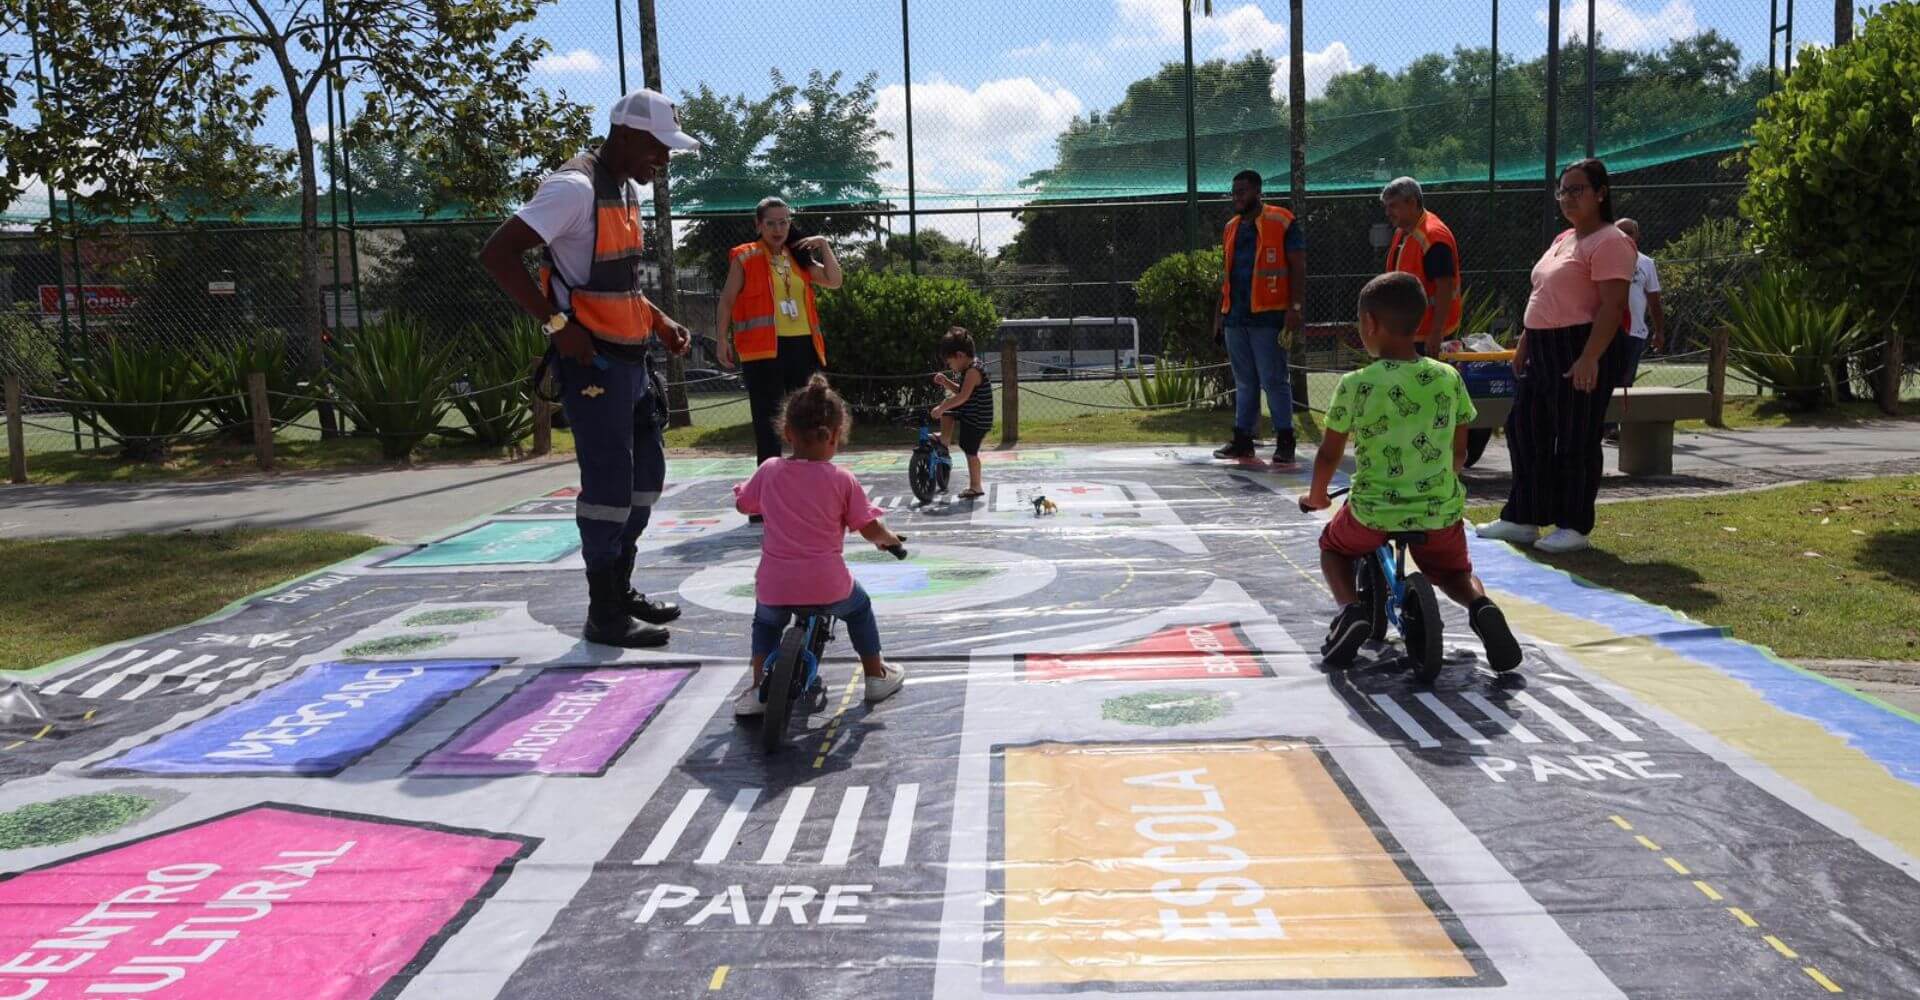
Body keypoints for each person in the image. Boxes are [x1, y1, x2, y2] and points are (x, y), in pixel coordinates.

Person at [478, 88, 696, 648]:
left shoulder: (624, 190)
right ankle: (603, 613)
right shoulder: (572, 189)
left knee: (646, 480)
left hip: (632, 359)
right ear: (625, 136)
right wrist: (555, 325)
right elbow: (497, 254)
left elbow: (614, 283)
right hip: (592, 362)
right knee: (608, 489)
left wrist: (660, 320)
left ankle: (619, 589)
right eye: (658, 147)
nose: (664, 160)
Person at [1301, 272, 1522, 671]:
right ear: (1420, 321)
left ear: (1369, 324)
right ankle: (1481, 605)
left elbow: (1329, 454)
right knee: (1453, 572)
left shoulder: (1356, 384)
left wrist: (1316, 496)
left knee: (1333, 547)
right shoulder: (1448, 378)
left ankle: (1350, 610)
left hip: (1373, 510)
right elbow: (1460, 452)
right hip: (1438, 509)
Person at [1477, 158, 1637, 554]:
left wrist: (1589, 358)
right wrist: (1526, 345)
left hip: (1580, 346)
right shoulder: (1563, 239)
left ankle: (1574, 526)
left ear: (1601, 193)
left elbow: (1612, 307)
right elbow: (1542, 295)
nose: (1568, 198)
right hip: (1542, 347)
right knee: (1524, 429)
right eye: (1563, 190)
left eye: (1577, 189)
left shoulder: (1611, 241)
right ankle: (1523, 518)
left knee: (1575, 437)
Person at [732, 375, 907, 717]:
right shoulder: (842, 480)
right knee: (859, 609)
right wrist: (889, 540)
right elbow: (869, 527)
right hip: (829, 584)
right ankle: (875, 675)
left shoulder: (769, 470)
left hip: (775, 584)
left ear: (787, 434)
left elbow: (745, 505)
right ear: (837, 436)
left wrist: (745, 497)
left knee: (766, 625)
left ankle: (757, 689)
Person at [716, 196, 844, 469]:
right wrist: (721, 340)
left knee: (808, 417)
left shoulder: (798, 255)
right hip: (762, 351)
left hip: (802, 347)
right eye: (771, 223)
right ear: (758, 225)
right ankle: (766, 491)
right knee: (768, 421)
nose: (778, 229)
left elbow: (834, 280)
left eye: (784, 222)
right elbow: (726, 300)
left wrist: (823, 245)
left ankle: (805, 480)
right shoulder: (745, 255)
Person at [1213, 169, 1307, 466]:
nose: (1237, 197)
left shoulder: (1282, 220)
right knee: (1245, 381)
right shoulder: (1231, 227)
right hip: (1236, 317)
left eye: (1242, 191)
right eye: (1234, 192)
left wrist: (1295, 308)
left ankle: (1285, 439)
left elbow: (1298, 267)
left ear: (1257, 191)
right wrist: (1219, 316)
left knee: (1274, 380)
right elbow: (1225, 276)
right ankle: (1243, 440)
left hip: (1268, 317)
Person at [1380, 176, 1463, 356]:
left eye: (1393, 205)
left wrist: (1436, 332)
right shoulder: (1403, 231)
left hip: (1430, 334)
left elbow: (1445, 286)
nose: (1387, 212)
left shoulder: (1433, 237)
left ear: (1412, 202)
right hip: (1411, 330)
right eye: (1386, 206)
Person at [929, 326, 994, 500]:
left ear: (960, 355)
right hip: (971, 410)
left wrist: (942, 407)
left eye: (950, 363)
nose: (950, 366)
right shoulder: (970, 367)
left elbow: (963, 396)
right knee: (949, 411)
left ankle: (976, 486)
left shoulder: (973, 371)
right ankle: (944, 439)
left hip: (977, 417)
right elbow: (963, 391)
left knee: (969, 449)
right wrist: (946, 382)